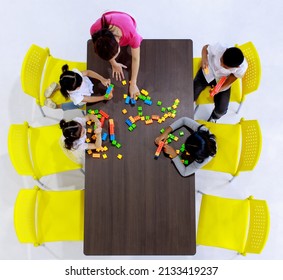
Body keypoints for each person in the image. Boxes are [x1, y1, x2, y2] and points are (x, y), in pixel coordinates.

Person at [90, 11, 143, 98]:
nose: (113, 58)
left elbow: (135, 58)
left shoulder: (132, 35)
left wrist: (133, 83)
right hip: (110, 20)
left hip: (126, 20)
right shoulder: (95, 31)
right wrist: (113, 63)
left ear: (118, 41)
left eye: (114, 55)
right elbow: (106, 50)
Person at [194, 43, 248, 122]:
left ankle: (214, 118)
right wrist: (204, 59)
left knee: (221, 110)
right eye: (221, 60)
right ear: (225, 51)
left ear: (236, 67)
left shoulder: (241, 68)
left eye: (225, 67)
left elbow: (232, 79)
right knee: (191, 93)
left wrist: (220, 89)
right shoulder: (219, 48)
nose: (221, 64)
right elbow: (205, 48)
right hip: (208, 71)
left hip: (222, 80)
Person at [44, 64, 112, 110]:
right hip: (83, 99)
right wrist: (103, 97)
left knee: (65, 84)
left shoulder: (75, 75)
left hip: (89, 84)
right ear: (72, 90)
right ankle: (56, 106)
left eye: (81, 80)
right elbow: (89, 99)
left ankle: (58, 86)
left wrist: (102, 79)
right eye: (80, 84)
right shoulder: (75, 96)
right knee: (74, 105)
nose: (82, 82)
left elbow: (88, 72)